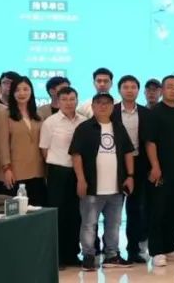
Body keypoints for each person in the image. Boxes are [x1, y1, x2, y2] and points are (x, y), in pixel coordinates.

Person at [69, 92, 136, 272]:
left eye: (107, 103)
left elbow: (128, 152)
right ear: (93, 106)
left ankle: (112, 255)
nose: (103, 106)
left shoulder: (118, 127)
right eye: (99, 103)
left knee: (114, 224)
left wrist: (130, 176)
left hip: (116, 187)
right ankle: (89, 256)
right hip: (92, 187)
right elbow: (76, 155)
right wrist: (81, 179)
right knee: (89, 224)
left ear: (112, 107)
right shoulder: (84, 128)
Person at [39, 86, 85, 269]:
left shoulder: (83, 121)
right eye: (64, 99)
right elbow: (44, 150)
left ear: (77, 100)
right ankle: (57, 257)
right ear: (58, 101)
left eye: (72, 99)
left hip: (78, 172)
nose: (68, 103)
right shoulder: (50, 122)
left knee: (75, 215)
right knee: (59, 215)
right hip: (58, 172)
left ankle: (72, 254)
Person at [146, 75, 174, 266]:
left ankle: (171, 247)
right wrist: (155, 166)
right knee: (158, 210)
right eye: (170, 86)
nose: (173, 90)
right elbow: (150, 142)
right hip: (160, 170)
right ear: (162, 90)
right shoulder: (155, 112)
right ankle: (156, 250)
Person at [113, 75, 152, 264]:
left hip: (140, 164)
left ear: (138, 90)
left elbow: (150, 141)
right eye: (125, 87)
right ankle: (111, 251)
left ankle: (134, 250)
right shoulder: (111, 111)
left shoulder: (145, 113)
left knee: (136, 209)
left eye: (133, 87)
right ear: (119, 90)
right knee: (113, 209)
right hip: (114, 164)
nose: (129, 90)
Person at [0, 76, 46, 205]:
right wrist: (6, 169)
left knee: (38, 209)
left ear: (31, 91)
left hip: (38, 171)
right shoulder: (5, 115)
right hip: (16, 172)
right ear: (12, 93)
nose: (22, 93)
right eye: (17, 90)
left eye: (25, 89)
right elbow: (2, 144)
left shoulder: (38, 115)